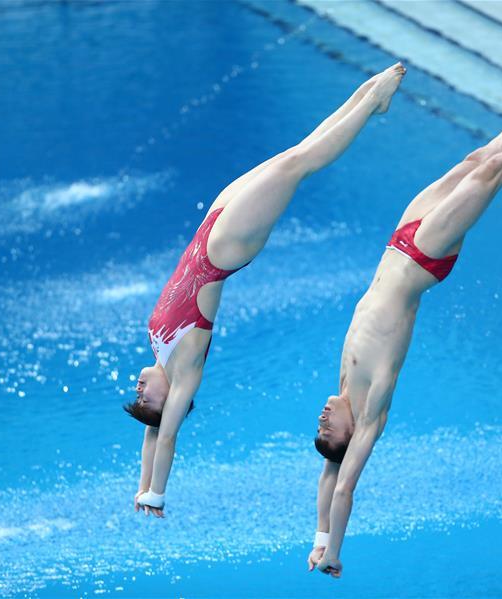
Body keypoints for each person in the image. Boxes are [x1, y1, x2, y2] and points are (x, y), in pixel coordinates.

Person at [307, 46, 502, 577]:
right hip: (422, 258)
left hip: (399, 239)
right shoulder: (371, 410)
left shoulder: (344, 384)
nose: (323, 419)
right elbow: (344, 481)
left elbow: (326, 478)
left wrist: (317, 534)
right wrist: (333, 554)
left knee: (479, 157)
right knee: (497, 169)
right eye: (329, 430)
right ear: (349, 437)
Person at [126, 63, 408, 517]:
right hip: (224, 249)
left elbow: (150, 435)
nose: (139, 392)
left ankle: (368, 96)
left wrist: (140, 487)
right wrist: (156, 494)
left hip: (209, 229)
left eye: (138, 400)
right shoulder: (184, 373)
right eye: (146, 402)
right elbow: (165, 434)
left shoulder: (160, 353)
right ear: (169, 402)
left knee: (293, 157)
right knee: (299, 165)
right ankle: (372, 99)